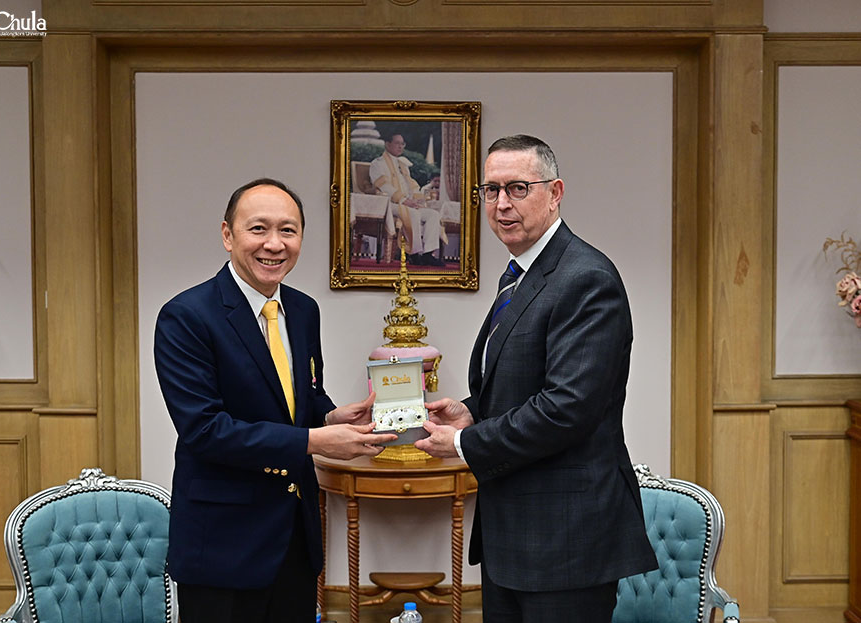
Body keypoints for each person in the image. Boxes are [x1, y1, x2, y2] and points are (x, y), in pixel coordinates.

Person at [415, 135, 657, 622]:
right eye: (491, 190)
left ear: (556, 192)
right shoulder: (520, 274)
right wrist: (471, 411)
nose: (502, 204)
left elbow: (567, 408)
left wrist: (467, 444)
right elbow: (525, 384)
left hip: (567, 541)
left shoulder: (586, 277)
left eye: (518, 188)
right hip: (517, 537)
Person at [154, 178, 395, 623]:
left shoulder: (303, 310)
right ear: (228, 235)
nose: (274, 244)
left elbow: (300, 392)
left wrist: (330, 413)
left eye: (288, 230)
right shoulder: (186, 317)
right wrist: (315, 441)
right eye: (258, 229)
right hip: (224, 545)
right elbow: (206, 431)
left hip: (293, 536)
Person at [368, 133, 444, 266]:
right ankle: (414, 254)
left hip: (407, 203)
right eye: (397, 143)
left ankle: (427, 254)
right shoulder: (378, 164)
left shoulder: (403, 164)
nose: (400, 146)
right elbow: (383, 186)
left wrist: (418, 199)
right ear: (387, 144)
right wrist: (403, 200)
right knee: (412, 213)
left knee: (433, 214)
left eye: (402, 144)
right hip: (390, 204)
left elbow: (412, 185)